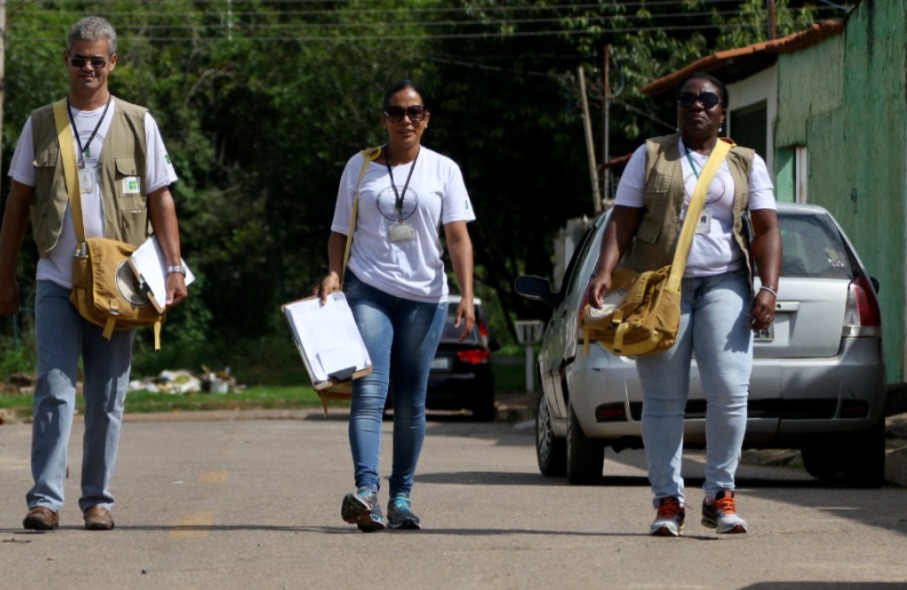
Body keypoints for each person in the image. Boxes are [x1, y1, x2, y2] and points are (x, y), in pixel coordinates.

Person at [0, 16, 185, 531]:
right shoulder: (40, 123)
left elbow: (160, 198)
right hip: (57, 281)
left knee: (106, 397)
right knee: (54, 389)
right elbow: (17, 202)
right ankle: (45, 500)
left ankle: (97, 500)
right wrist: (5, 276)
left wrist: (173, 268)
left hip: (121, 289)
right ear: (67, 61)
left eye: (97, 61)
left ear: (113, 64)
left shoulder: (137, 121)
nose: (87, 68)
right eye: (79, 59)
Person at [587, 72, 782, 537]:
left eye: (708, 98)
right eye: (688, 98)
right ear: (677, 108)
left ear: (722, 111)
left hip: (725, 284)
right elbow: (624, 221)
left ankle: (720, 494)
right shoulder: (650, 155)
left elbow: (768, 229)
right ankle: (668, 500)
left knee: (731, 391)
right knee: (663, 400)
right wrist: (603, 272)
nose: (698, 105)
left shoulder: (745, 162)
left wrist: (769, 288)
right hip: (661, 290)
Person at [317, 80, 476, 532]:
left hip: (425, 299)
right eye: (395, 112)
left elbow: (458, 237)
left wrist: (466, 293)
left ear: (426, 119)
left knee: (411, 401)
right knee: (370, 391)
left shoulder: (444, 170)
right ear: (383, 118)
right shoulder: (360, 166)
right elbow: (338, 233)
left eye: (414, 112)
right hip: (369, 289)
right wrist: (333, 272)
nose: (405, 120)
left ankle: (401, 497)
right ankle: (366, 492)